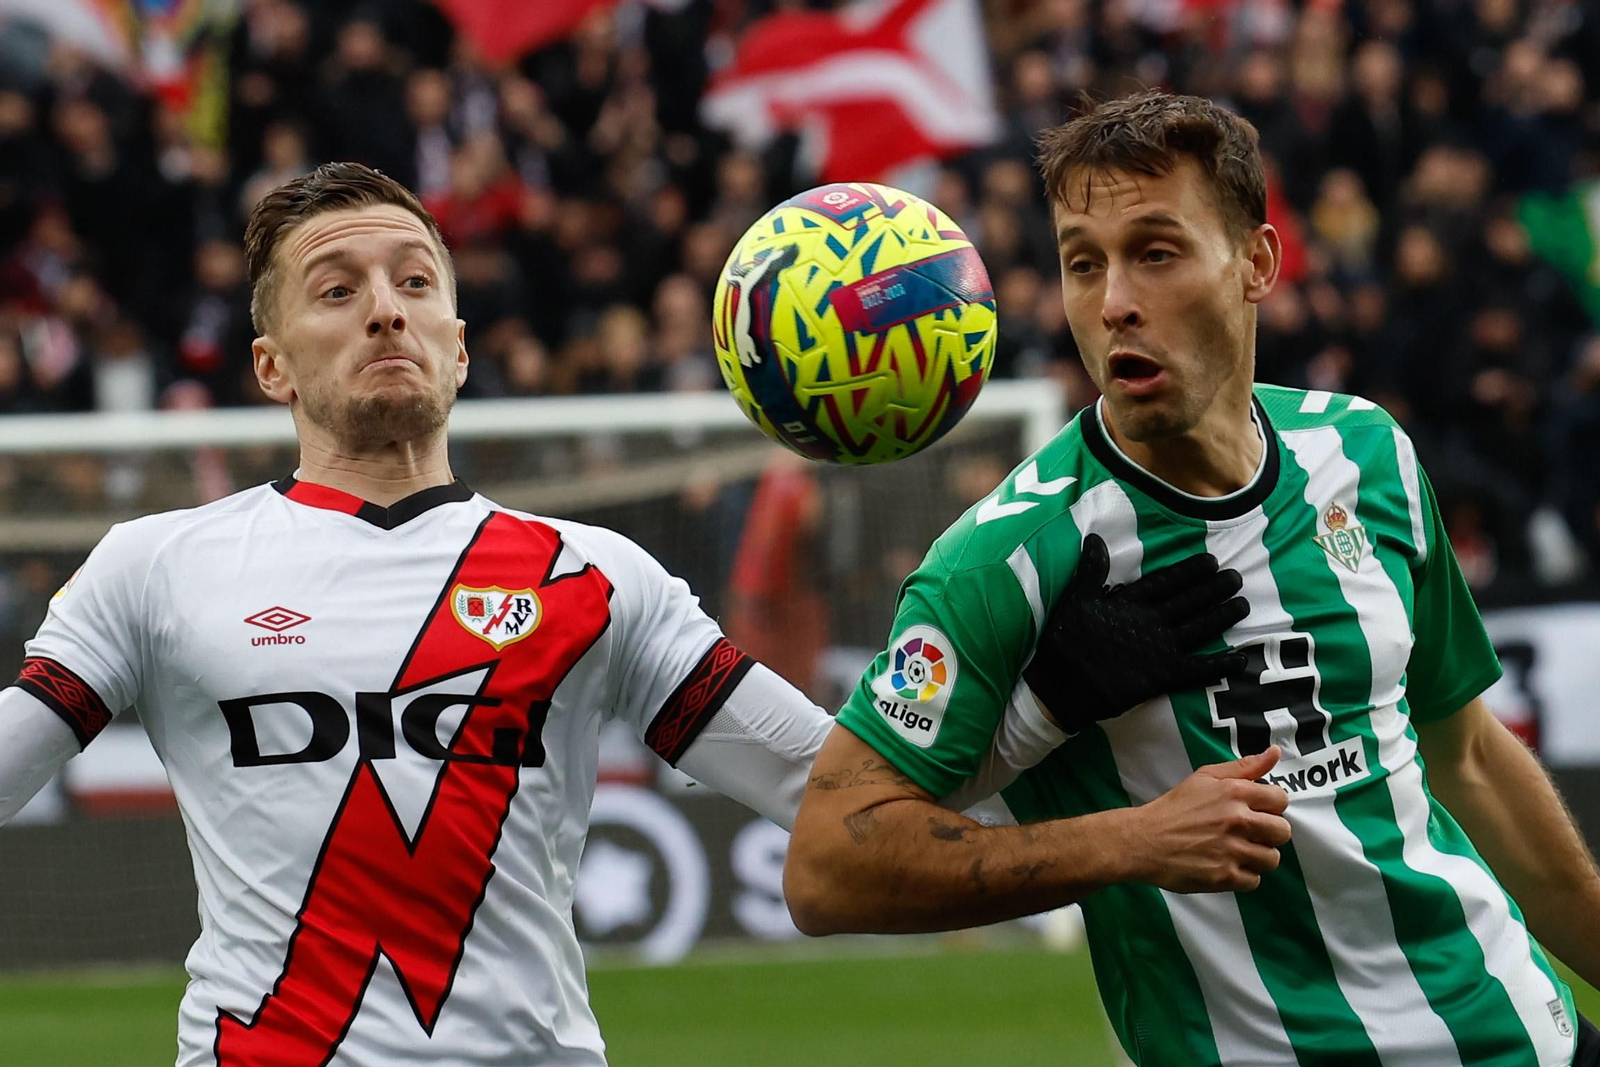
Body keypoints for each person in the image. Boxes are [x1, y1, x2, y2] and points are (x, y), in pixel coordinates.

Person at [0, 161, 1254, 1066]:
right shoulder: (155, 565)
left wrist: (1046, 698)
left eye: (413, 279)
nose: (383, 305)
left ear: (459, 338)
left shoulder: (598, 578)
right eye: (335, 289)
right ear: (269, 363)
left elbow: (843, 804)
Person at [785, 91, 1600, 1067]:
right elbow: (828, 864)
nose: (1113, 299)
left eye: (1155, 251)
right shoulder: (1004, 562)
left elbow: (1463, 754)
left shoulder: (1364, 451)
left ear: (1256, 262)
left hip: (1519, 1034)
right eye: (1083, 262)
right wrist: (1129, 841)